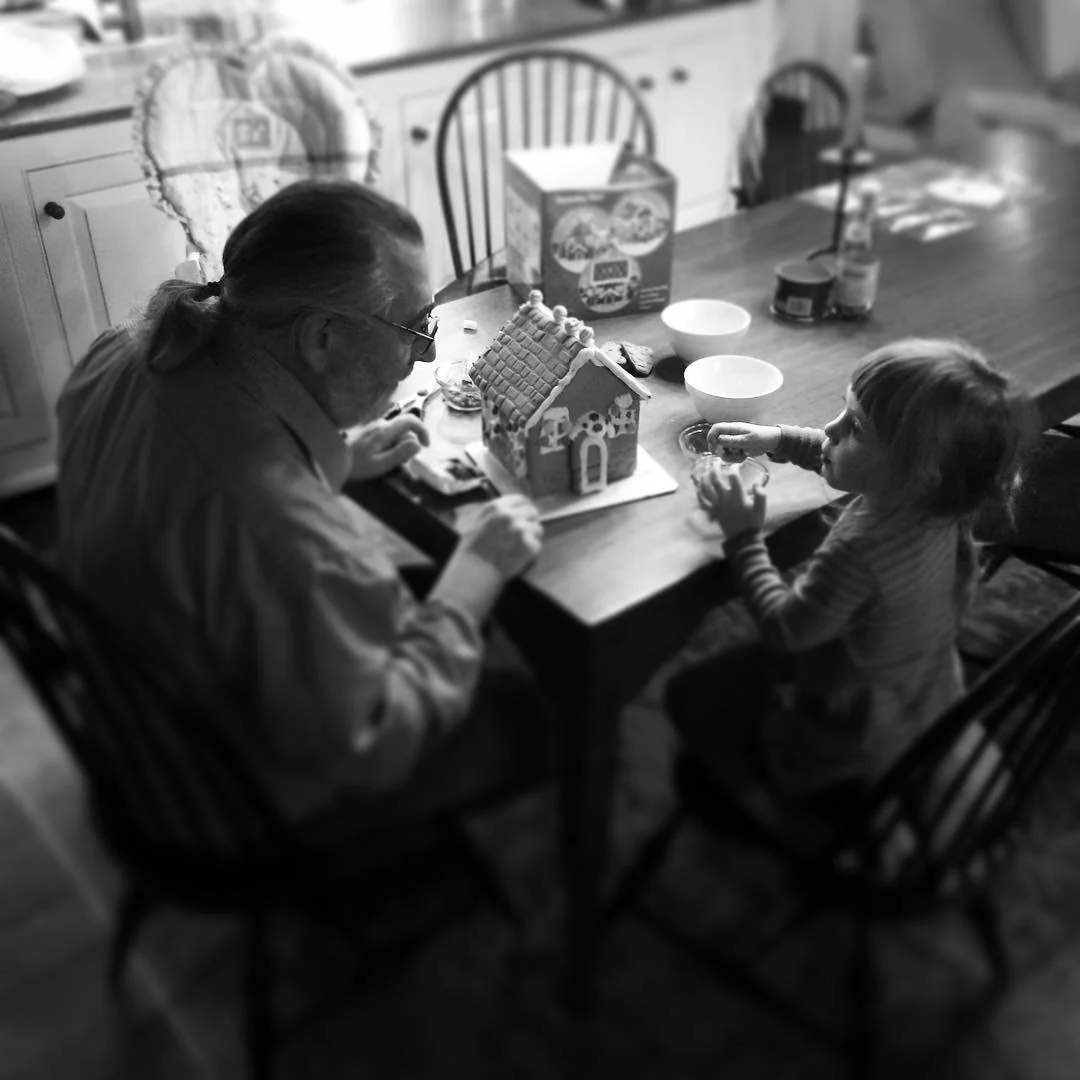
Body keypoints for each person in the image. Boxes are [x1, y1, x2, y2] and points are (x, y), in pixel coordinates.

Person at [54, 177, 548, 832]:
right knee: (541, 713)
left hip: (127, 711)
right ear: (322, 338)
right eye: (414, 326)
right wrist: (474, 575)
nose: (426, 352)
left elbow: (209, 484)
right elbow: (373, 742)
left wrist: (330, 461)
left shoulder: (124, 347)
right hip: (221, 797)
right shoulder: (289, 539)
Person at [668, 337, 1038, 818]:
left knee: (691, 704)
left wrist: (742, 533)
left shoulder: (860, 550)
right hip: (924, 688)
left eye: (855, 427)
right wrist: (778, 440)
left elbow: (788, 629)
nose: (830, 428)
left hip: (846, 737)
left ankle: (814, 806)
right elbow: (850, 460)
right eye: (843, 412)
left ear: (920, 472)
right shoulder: (945, 499)